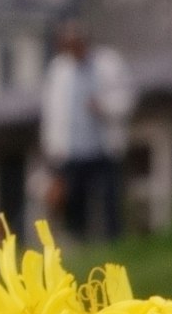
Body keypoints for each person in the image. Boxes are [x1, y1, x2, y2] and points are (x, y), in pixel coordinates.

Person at [37, 21, 136, 242]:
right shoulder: (58, 70)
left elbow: (127, 98)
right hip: (71, 150)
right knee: (74, 199)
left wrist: (104, 107)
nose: (73, 48)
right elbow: (52, 113)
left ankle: (113, 241)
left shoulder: (108, 63)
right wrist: (51, 147)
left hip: (103, 148)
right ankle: (78, 240)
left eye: (76, 43)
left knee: (109, 197)